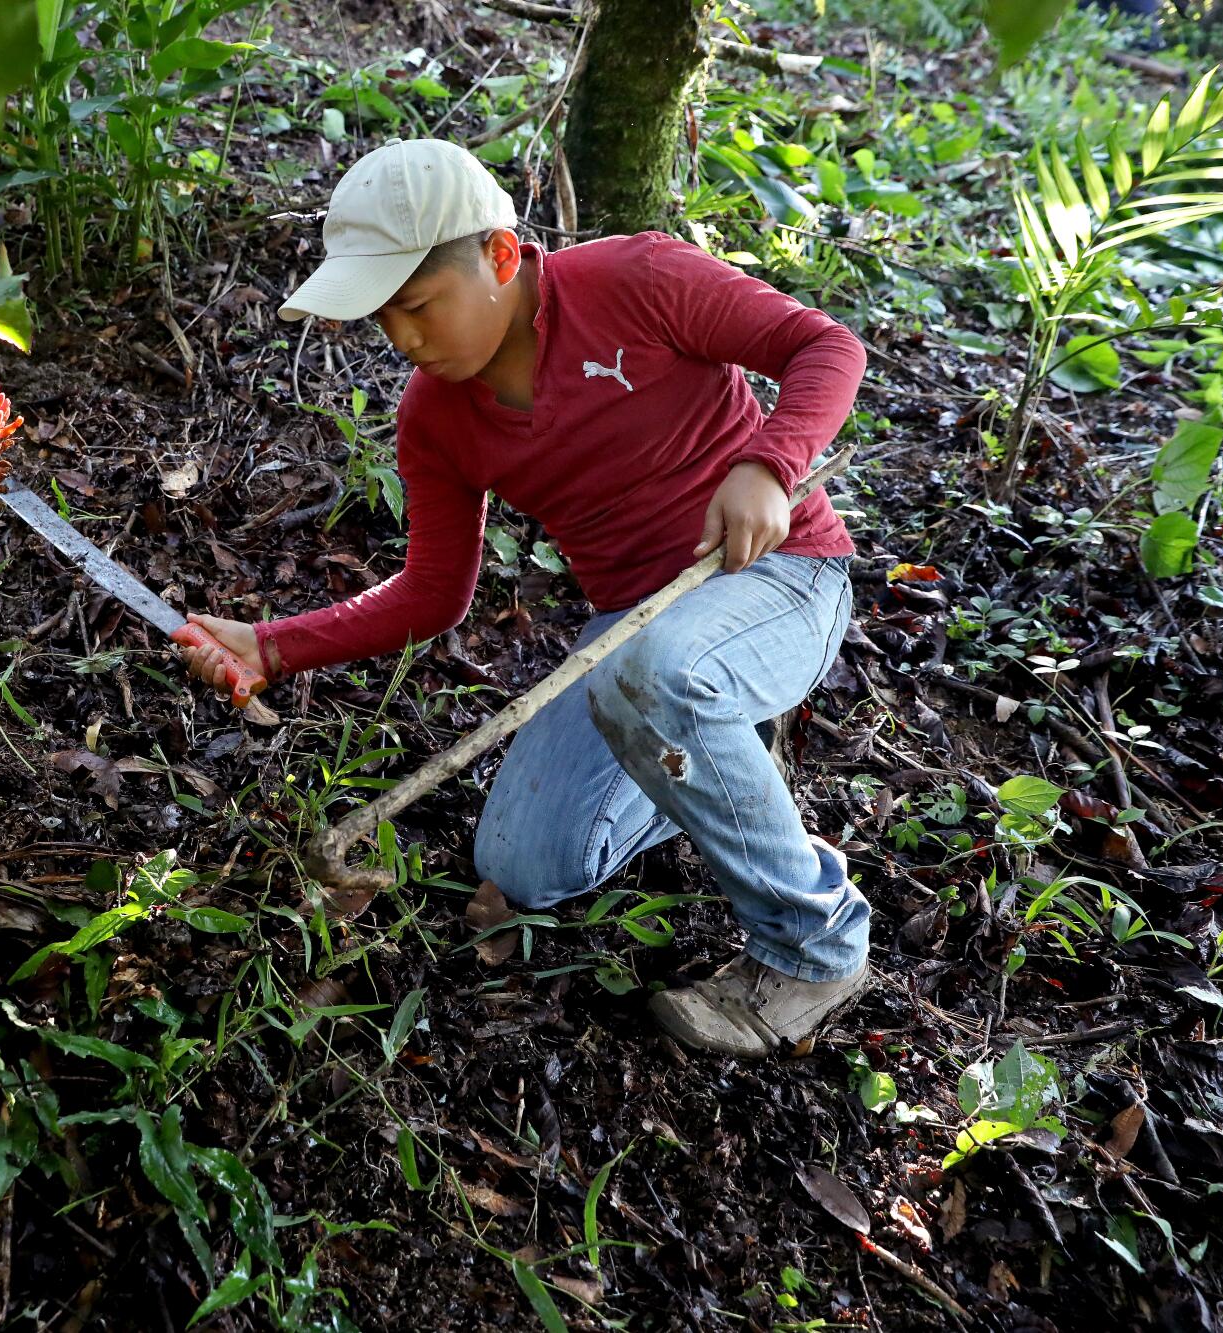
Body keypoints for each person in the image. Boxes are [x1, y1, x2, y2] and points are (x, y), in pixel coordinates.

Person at [181, 139, 868, 1058]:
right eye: (385, 320)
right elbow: (432, 593)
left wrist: (767, 467)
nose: (406, 340)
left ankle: (814, 944)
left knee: (652, 670)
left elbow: (825, 345)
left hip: (784, 581)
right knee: (527, 864)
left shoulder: (639, 277)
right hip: (632, 641)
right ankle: (710, 744)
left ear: (501, 258)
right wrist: (273, 646)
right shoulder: (436, 416)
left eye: (419, 306)